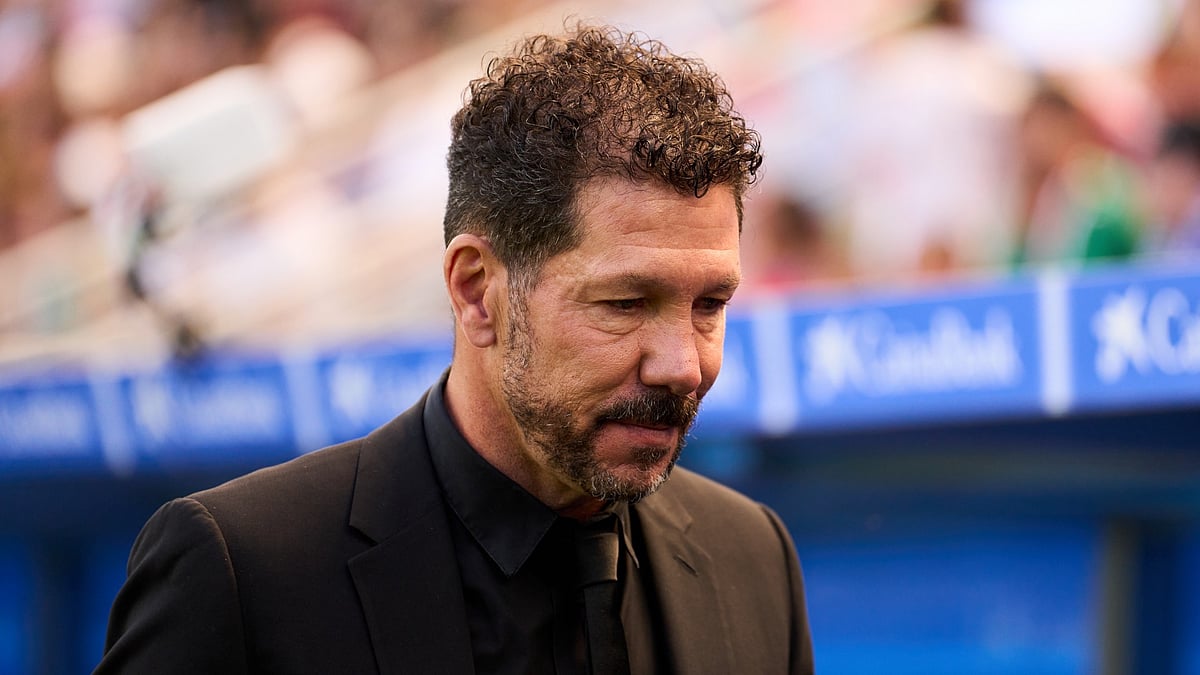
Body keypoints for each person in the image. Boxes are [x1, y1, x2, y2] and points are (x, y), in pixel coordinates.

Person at [95, 23, 815, 675]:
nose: (684, 365)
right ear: (476, 291)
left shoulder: (752, 557)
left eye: (710, 305)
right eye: (624, 304)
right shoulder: (243, 569)